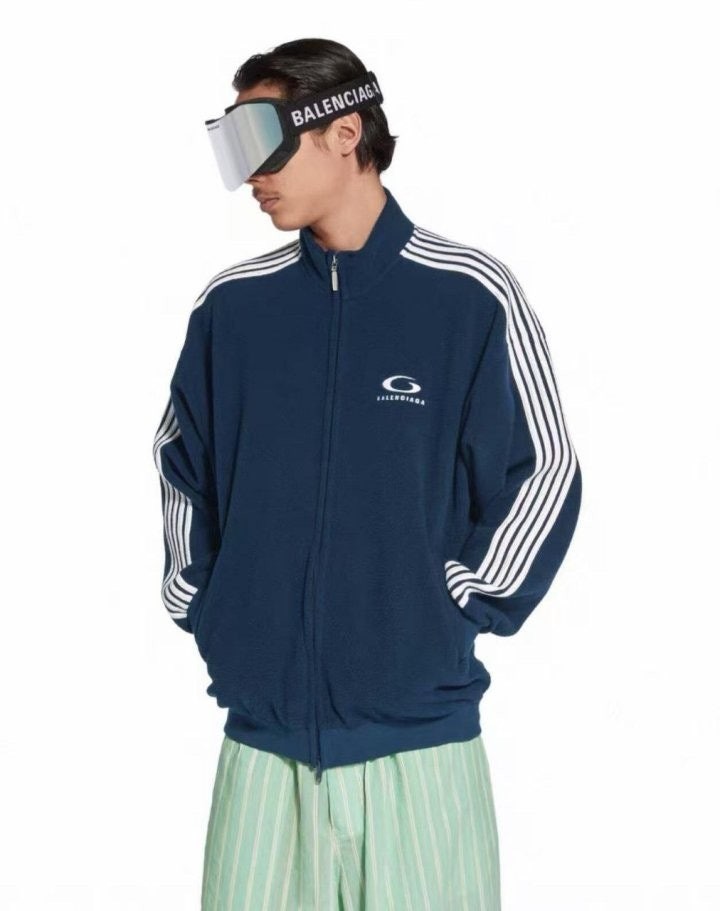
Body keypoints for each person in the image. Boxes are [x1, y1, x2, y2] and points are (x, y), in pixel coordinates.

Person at [152, 37, 582, 910]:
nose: (250, 175)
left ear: (345, 132)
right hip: (263, 748)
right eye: (232, 147)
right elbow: (179, 462)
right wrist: (210, 600)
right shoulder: (233, 310)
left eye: (262, 141)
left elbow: (543, 466)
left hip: (421, 748)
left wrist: (458, 598)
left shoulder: (469, 295)